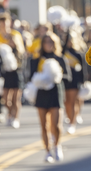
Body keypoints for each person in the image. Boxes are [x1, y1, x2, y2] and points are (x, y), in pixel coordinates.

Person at [30, 32, 70, 163]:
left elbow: (68, 77)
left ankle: (57, 145)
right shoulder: (37, 59)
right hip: (41, 93)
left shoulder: (60, 59)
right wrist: (42, 80)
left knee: (56, 124)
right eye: (46, 42)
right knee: (44, 125)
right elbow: (31, 76)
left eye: (51, 42)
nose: (48, 44)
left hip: (55, 92)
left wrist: (55, 77)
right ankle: (47, 151)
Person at [0, 14, 24, 129]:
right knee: (6, 98)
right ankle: (9, 113)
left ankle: (15, 117)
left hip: (16, 68)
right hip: (4, 70)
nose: (4, 24)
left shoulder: (15, 35)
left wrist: (14, 44)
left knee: (16, 97)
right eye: (1, 22)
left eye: (6, 22)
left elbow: (22, 51)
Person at [62, 32, 86, 134]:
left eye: (71, 40)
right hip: (64, 81)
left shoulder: (78, 54)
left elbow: (84, 70)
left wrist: (83, 82)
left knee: (72, 102)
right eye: (68, 40)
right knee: (66, 103)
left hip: (74, 81)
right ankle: (69, 118)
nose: (70, 42)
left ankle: (72, 123)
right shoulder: (63, 53)